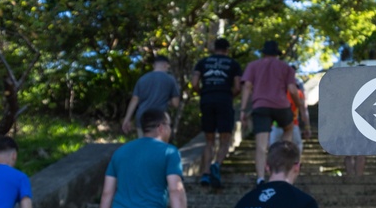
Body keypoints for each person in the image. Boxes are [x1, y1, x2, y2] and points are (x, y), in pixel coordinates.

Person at [240, 40, 310, 185]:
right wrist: (299, 103)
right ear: (277, 54)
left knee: (261, 145)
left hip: (260, 106)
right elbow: (292, 89)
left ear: (263, 53)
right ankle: (283, 156)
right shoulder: (286, 67)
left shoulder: (253, 66)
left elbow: (247, 86)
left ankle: (260, 178)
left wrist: (243, 110)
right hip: (281, 106)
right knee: (289, 127)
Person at [191, 37, 242, 188]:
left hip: (207, 100)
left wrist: (202, 92)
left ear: (214, 48)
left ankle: (205, 173)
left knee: (209, 140)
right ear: (227, 50)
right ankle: (217, 165)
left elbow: (194, 83)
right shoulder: (233, 64)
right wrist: (228, 95)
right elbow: (238, 86)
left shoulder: (203, 62)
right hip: (224, 100)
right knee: (225, 139)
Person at [121, 55, 181, 138]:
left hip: (142, 119)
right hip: (159, 120)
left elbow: (134, 99)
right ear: (165, 65)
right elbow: (175, 103)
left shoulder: (142, 79)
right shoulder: (170, 79)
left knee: (143, 147)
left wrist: (127, 119)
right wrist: (166, 100)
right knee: (157, 148)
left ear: (154, 65)